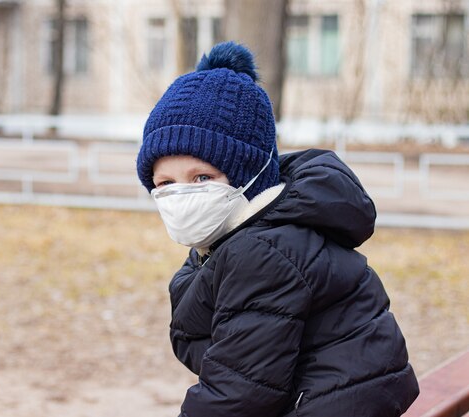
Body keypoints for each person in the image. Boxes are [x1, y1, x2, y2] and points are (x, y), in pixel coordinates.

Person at [135, 42, 419, 417]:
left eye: (202, 176)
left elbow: (239, 396)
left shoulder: (262, 250)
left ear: (250, 176)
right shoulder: (246, 237)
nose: (182, 195)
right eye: (166, 183)